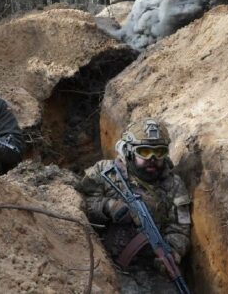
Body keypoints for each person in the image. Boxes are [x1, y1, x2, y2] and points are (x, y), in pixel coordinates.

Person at [77, 119, 191, 292]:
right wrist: (108, 207)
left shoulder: (174, 185)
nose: (153, 159)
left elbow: (180, 227)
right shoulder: (106, 172)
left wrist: (172, 252)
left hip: (150, 267)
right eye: (144, 152)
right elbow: (79, 204)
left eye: (159, 152)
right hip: (106, 262)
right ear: (129, 151)